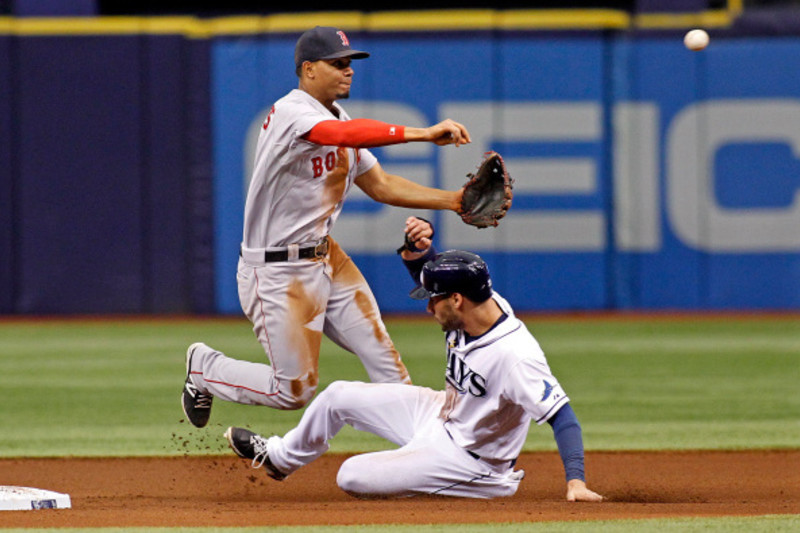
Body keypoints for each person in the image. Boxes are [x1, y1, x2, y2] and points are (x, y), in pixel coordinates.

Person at [181, 26, 473, 428]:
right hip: (277, 272)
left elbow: (382, 185)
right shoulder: (292, 113)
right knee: (293, 391)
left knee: (384, 358)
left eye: (349, 63)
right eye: (337, 63)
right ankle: (204, 367)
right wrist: (421, 133)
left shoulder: (338, 115)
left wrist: (453, 201)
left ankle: (430, 454)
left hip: (326, 258)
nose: (348, 70)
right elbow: (339, 135)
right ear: (308, 69)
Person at [222, 217, 604, 501]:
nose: (427, 309)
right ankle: (279, 458)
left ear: (456, 300)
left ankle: (460, 486)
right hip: (439, 414)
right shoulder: (474, 301)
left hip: (473, 461)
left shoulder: (514, 356)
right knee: (338, 396)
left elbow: (562, 417)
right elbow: (433, 277)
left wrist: (576, 482)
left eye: (433, 301)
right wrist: (418, 250)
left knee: (351, 475)